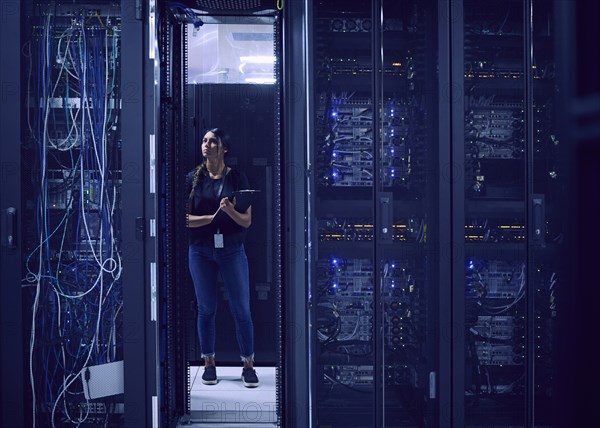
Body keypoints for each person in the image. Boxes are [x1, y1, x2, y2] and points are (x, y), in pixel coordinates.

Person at [186, 128, 259, 388]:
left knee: (241, 309)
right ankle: (209, 363)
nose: (206, 145)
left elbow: (246, 221)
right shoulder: (192, 179)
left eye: (212, 141)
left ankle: (248, 365)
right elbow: (184, 220)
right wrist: (213, 218)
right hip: (200, 250)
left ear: (223, 148)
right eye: (204, 141)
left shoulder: (238, 178)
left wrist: (229, 211)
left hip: (231, 250)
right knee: (206, 309)